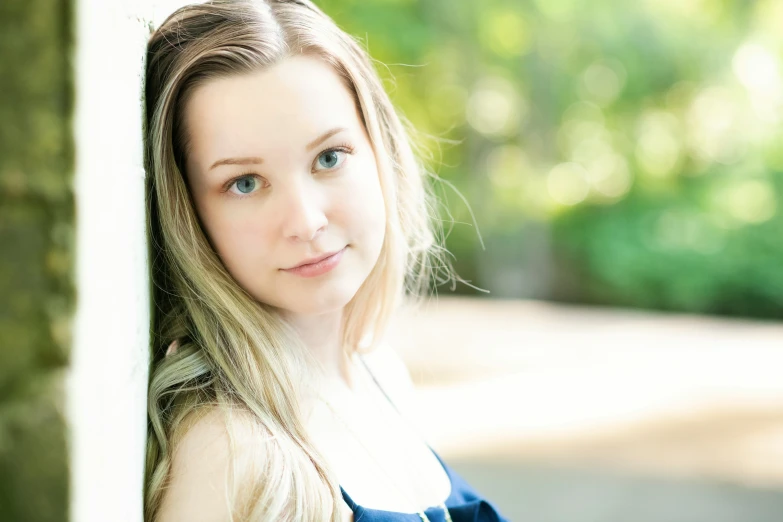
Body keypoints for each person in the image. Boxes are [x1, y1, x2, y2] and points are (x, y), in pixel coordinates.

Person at [143, 1, 508, 520]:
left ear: (378, 149)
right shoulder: (232, 456)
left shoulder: (379, 371)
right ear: (189, 213)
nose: (306, 220)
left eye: (329, 157)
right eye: (244, 183)